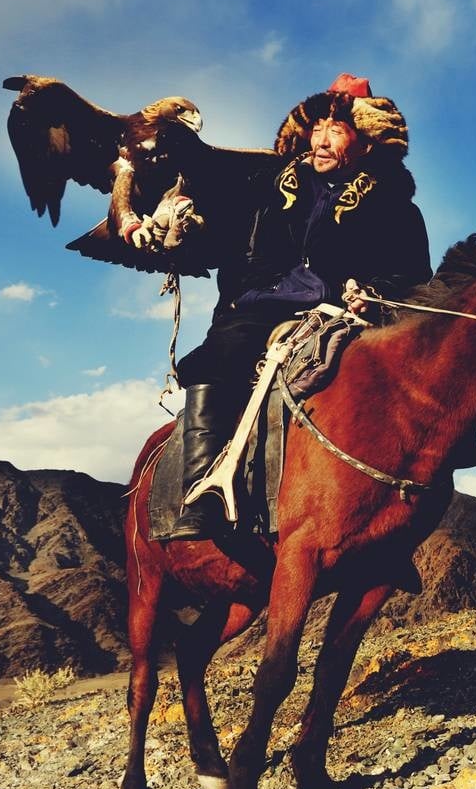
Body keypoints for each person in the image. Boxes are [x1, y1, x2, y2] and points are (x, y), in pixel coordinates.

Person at [168, 74, 432, 541]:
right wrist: (181, 219)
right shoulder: (267, 186)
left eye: (337, 130)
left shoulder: (396, 207)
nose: (322, 140)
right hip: (263, 305)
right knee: (217, 356)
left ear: (367, 141)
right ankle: (203, 491)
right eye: (317, 128)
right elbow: (220, 232)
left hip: (347, 313)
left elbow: (413, 276)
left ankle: (410, 496)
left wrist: (373, 292)